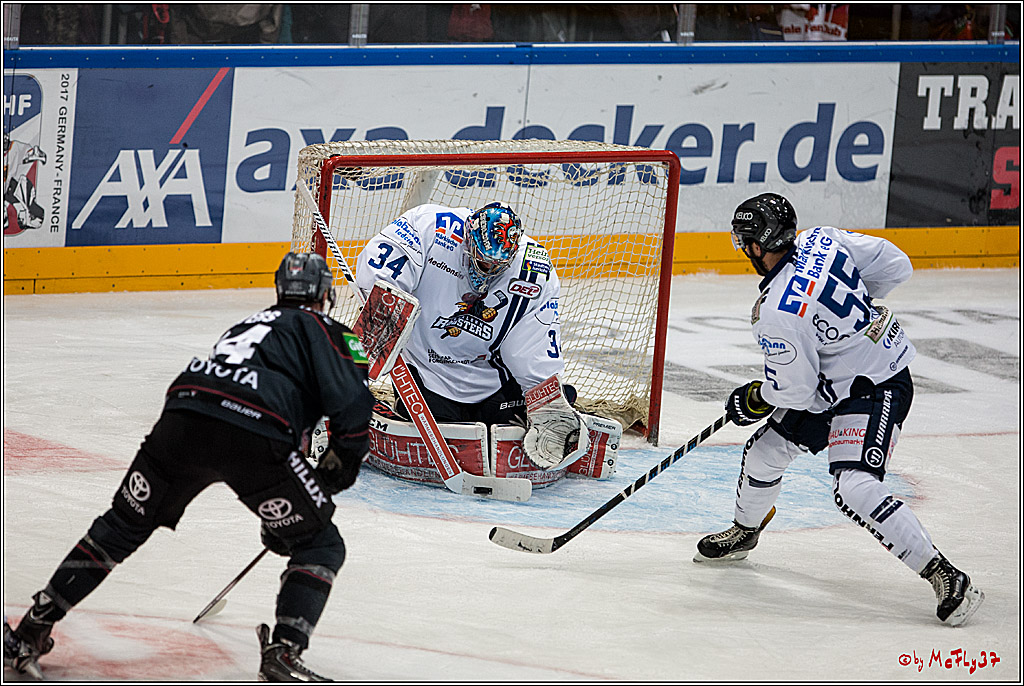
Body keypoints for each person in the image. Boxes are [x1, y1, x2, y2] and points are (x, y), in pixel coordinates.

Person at [3, 252, 374, 681]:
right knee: (321, 545)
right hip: (253, 428)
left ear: (279, 289)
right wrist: (326, 486)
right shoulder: (328, 331)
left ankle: (31, 629)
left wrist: (294, 505)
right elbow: (353, 410)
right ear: (325, 294)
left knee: (121, 525)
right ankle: (284, 653)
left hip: (184, 414)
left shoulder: (247, 325)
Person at [694, 193, 984, 627]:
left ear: (756, 245)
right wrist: (855, 315)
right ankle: (745, 531)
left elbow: (794, 392)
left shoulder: (774, 312)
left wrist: (755, 398)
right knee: (765, 453)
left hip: (874, 383)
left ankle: (944, 573)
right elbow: (897, 265)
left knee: (855, 488)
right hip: (835, 383)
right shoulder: (824, 239)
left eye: (745, 242)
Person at [354, 201, 583, 470]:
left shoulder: (533, 267)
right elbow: (381, 280)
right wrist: (381, 314)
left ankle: (540, 411)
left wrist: (544, 399)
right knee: (445, 433)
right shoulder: (429, 226)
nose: (488, 270)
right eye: (482, 260)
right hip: (428, 376)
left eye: (497, 265)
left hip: (491, 381)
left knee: (538, 411)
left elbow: (533, 342)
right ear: (468, 238)